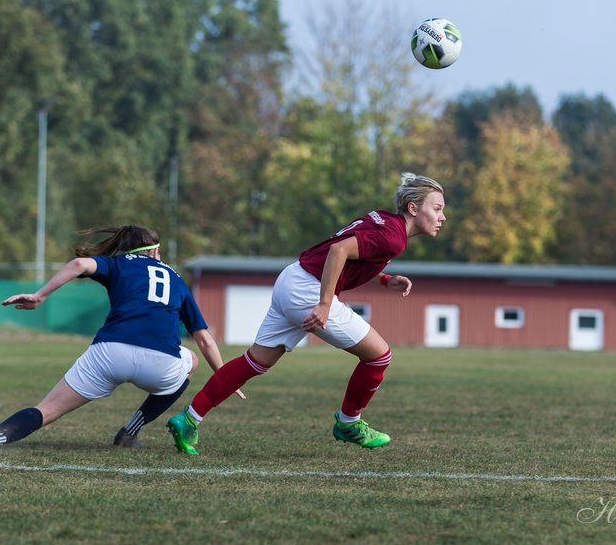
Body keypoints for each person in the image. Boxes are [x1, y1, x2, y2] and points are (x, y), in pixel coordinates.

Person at [165, 172, 447, 456]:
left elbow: (351, 255)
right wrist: (325, 304)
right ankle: (349, 423)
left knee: (255, 361)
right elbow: (338, 251)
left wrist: (384, 280)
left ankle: (188, 419)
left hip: (292, 277)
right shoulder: (394, 236)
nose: (442, 217)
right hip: (308, 290)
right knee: (379, 356)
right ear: (413, 207)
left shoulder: (384, 220)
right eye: (437, 208)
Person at [0, 224, 240, 450]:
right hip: (160, 365)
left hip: (109, 353)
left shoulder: (118, 263)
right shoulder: (176, 278)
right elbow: (204, 339)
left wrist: (40, 295)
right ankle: (129, 433)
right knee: (191, 360)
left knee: (47, 410)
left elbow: (80, 264)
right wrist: (226, 377)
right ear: (155, 252)